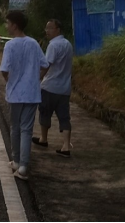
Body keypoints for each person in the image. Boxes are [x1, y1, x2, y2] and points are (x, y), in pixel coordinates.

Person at [0, 10, 48, 180]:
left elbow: (4, 69)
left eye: (8, 23)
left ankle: (16, 160)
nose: (6, 26)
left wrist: (9, 81)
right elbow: (45, 64)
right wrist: (37, 78)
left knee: (15, 127)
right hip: (32, 93)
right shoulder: (33, 43)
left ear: (14, 25)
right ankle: (23, 167)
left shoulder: (10, 45)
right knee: (27, 129)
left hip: (15, 94)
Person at [32, 19, 74, 157]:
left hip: (50, 86)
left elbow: (46, 65)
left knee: (45, 112)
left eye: (50, 28)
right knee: (64, 117)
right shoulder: (68, 44)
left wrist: (37, 78)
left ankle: (44, 139)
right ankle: (66, 146)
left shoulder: (53, 45)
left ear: (58, 30)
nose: (47, 31)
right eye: (46, 28)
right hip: (64, 88)